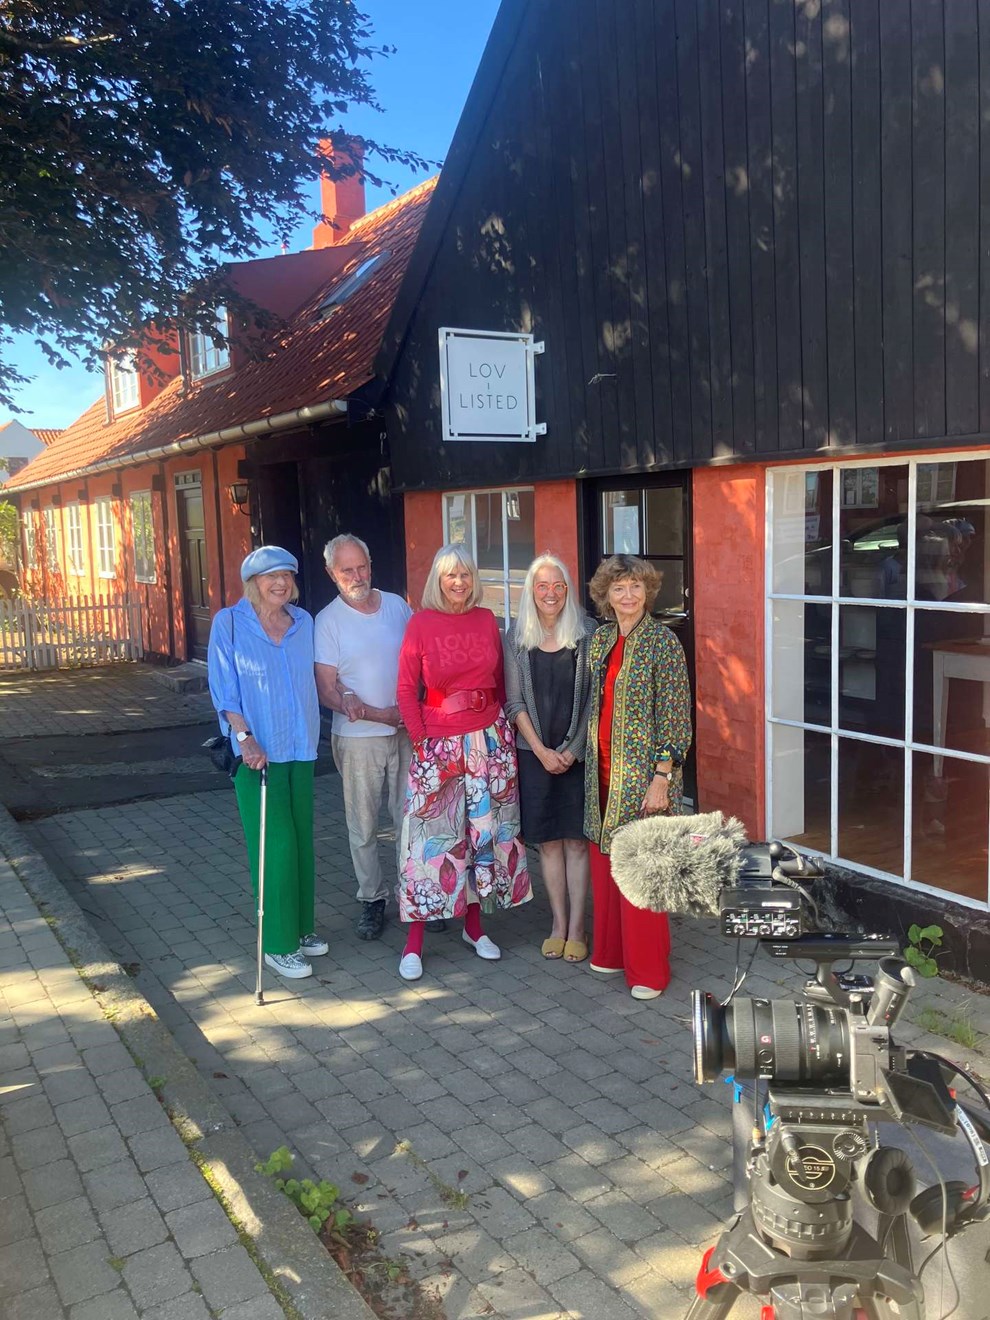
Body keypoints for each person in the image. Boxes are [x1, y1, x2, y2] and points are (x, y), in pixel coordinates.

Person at [395, 543, 531, 981]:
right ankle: (413, 942)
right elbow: (405, 689)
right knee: (429, 840)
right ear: (438, 580)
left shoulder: (487, 621)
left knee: (482, 839)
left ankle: (475, 928)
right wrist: (421, 741)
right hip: (440, 745)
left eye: (466, 575)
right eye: (451, 575)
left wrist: (500, 735)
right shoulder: (420, 624)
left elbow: (497, 682)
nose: (459, 583)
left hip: (489, 743)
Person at [207, 546, 325, 980]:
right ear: (253, 582)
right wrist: (244, 738)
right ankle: (277, 943)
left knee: (301, 841)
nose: (281, 583)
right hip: (256, 754)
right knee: (274, 845)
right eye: (271, 576)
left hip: (301, 746)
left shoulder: (303, 622)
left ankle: (301, 926)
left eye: (287, 576)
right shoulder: (230, 624)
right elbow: (224, 691)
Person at [584, 554, 692, 1000]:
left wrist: (662, 775)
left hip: (644, 775)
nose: (628, 596)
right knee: (605, 863)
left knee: (641, 867)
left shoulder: (663, 643)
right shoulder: (601, 640)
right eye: (618, 588)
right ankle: (610, 952)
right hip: (601, 772)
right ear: (606, 596)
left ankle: (648, 970)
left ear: (647, 592)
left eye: (635, 587)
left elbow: (675, 718)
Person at [314, 534, 417, 942]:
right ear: (331, 573)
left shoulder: (397, 606)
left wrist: (409, 714)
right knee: (364, 825)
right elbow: (326, 689)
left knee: (411, 818)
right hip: (359, 739)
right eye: (346, 570)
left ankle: (415, 894)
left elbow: (419, 663)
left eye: (362, 566)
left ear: (371, 564)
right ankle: (372, 899)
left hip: (407, 732)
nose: (357, 576)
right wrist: (375, 712)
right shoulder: (328, 620)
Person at [503, 553, 594, 962]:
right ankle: (557, 923)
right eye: (543, 586)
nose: (551, 593)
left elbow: (595, 700)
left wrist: (572, 751)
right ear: (531, 592)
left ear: (568, 590)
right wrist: (540, 751)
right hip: (534, 755)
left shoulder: (588, 632)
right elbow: (514, 701)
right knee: (550, 845)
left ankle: (578, 927)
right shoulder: (515, 637)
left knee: (576, 843)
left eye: (559, 585)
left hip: (577, 756)